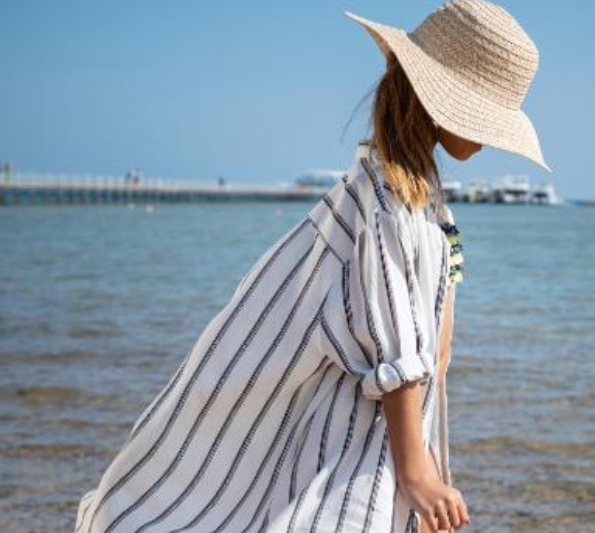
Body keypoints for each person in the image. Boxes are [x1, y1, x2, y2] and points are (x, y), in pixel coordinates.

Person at [74, 1, 550, 532]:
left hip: (385, 426)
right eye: (486, 116)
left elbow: (432, 350)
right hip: (364, 433)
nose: (490, 139)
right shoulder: (390, 204)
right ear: (442, 103)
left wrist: (430, 457)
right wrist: (417, 472)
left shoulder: (412, 199)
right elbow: (400, 349)